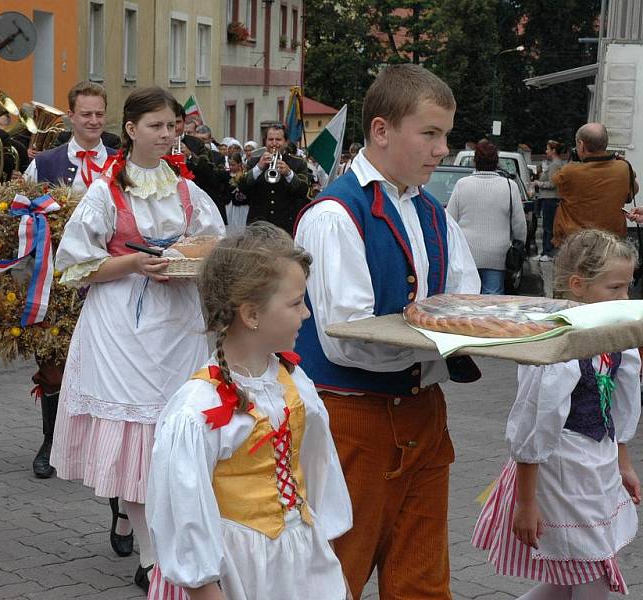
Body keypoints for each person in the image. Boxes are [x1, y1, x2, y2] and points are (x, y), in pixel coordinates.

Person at [293, 63, 480, 600]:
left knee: (422, 582)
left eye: (444, 134)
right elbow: (347, 336)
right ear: (381, 130)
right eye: (430, 133)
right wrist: (444, 337)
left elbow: (466, 303)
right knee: (336, 576)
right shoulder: (335, 214)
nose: (442, 148)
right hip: (353, 417)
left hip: (423, 410)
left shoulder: (434, 213)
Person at [50, 86, 224, 593]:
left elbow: (215, 251)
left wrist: (190, 266)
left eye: (173, 126)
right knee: (139, 441)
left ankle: (143, 525)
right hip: (122, 325)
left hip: (178, 324)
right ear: (130, 130)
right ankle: (151, 557)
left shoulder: (189, 191)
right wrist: (132, 262)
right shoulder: (106, 193)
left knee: (172, 436)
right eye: (156, 126)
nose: (167, 135)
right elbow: (74, 264)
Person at [146, 222, 352, 600]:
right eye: (295, 303)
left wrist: (325, 560)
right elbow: (183, 508)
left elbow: (319, 467)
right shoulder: (197, 409)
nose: (306, 313)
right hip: (239, 570)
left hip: (300, 561)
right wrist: (207, 586)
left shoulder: (294, 382)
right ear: (251, 314)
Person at [472, 229, 640, 599]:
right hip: (560, 471)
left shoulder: (610, 333)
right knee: (588, 574)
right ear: (578, 285)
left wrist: (622, 460)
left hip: (595, 466)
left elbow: (619, 400)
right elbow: (534, 425)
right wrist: (526, 502)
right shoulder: (556, 345)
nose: (625, 298)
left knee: (573, 576)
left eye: (628, 288)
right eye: (614, 289)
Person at [18, 81, 119, 480]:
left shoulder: (121, 161)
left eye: (99, 114)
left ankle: (99, 443)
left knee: (106, 361)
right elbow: (22, 211)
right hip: (56, 278)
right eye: (86, 114)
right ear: (71, 116)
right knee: (53, 361)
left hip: (108, 278)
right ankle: (51, 439)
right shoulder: (45, 162)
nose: (93, 121)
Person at [447, 140, 526, 294]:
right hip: (498, 254)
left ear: (475, 161)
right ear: (497, 162)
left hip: (467, 252)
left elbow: (449, 220)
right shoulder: (510, 186)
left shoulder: (462, 184)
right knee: (492, 299)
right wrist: (519, 244)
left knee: (466, 297)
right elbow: (519, 225)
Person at [552, 123, 637, 249]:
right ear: (606, 144)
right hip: (611, 242)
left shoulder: (569, 172)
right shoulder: (623, 168)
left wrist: (574, 161)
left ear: (581, 145)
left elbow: (555, 183)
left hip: (576, 242)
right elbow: (630, 195)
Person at [238, 124, 310, 235]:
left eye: (278, 139)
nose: (274, 143)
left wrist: (289, 173)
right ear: (265, 142)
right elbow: (243, 187)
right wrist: (258, 168)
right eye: (270, 139)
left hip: (286, 225)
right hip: (258, 225)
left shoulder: (298, 163)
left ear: (286, 142)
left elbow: (303, 190)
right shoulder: (253, 162)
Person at [531, 140, 567, 261]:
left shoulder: (555, 165)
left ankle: (548, 252)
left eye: (547, 149)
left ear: (553, 151)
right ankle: (544, 252)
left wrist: (538, 183)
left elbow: (552, 184)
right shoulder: (554, 164)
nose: (546, 151)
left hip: (551, 198)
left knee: (548, 226)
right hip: (548, 198)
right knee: (548, 225)